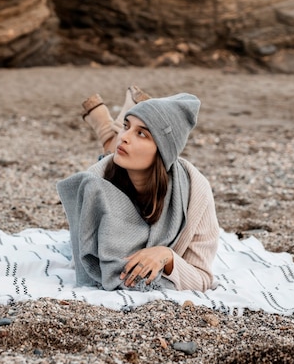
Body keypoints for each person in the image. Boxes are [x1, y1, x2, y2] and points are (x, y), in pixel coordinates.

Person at [57, 87, 219, 294]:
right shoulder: (95, 181)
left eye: (141, 133)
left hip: (152, 175)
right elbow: (87, 265)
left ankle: (106, 130)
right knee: (110, 157)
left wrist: (166, 256)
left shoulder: (195, 191)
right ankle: (109, 131)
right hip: (112, 176)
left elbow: (202, 277)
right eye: (126, 126)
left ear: (162, 150)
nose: (124, 137)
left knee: (114, 151)